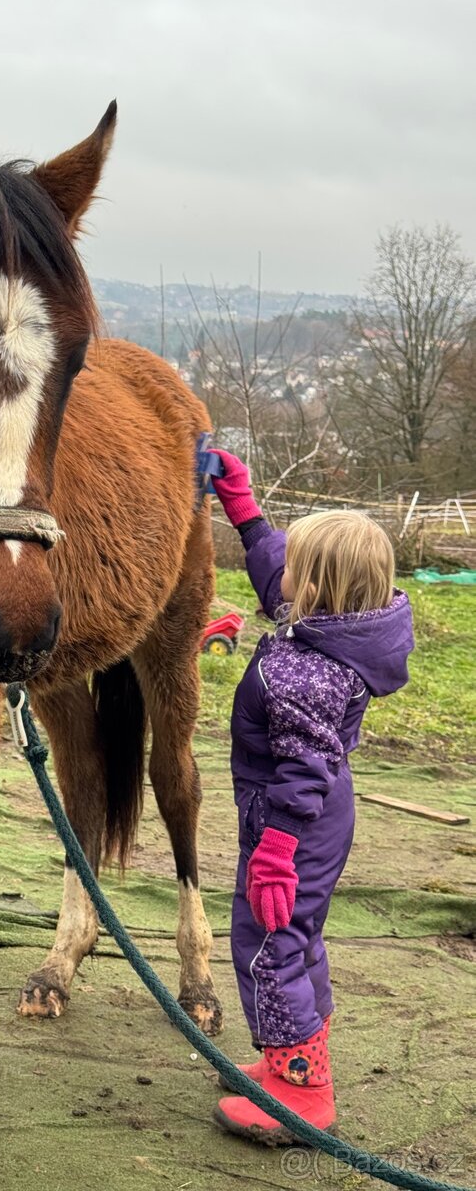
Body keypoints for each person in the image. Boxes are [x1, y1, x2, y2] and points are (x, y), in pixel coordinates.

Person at [208, 449, 414, 1145]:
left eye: (295, 565)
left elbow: (303, 774)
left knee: (270, 942)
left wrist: (274, 854)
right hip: (306, 814)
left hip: (296, 822)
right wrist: (241, 503)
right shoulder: (328, 624)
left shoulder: (310, 673)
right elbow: (271, 564)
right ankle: (288, 1057)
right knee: (295, 935)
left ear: (316, 588)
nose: (280, 573)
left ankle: (304, 1090)